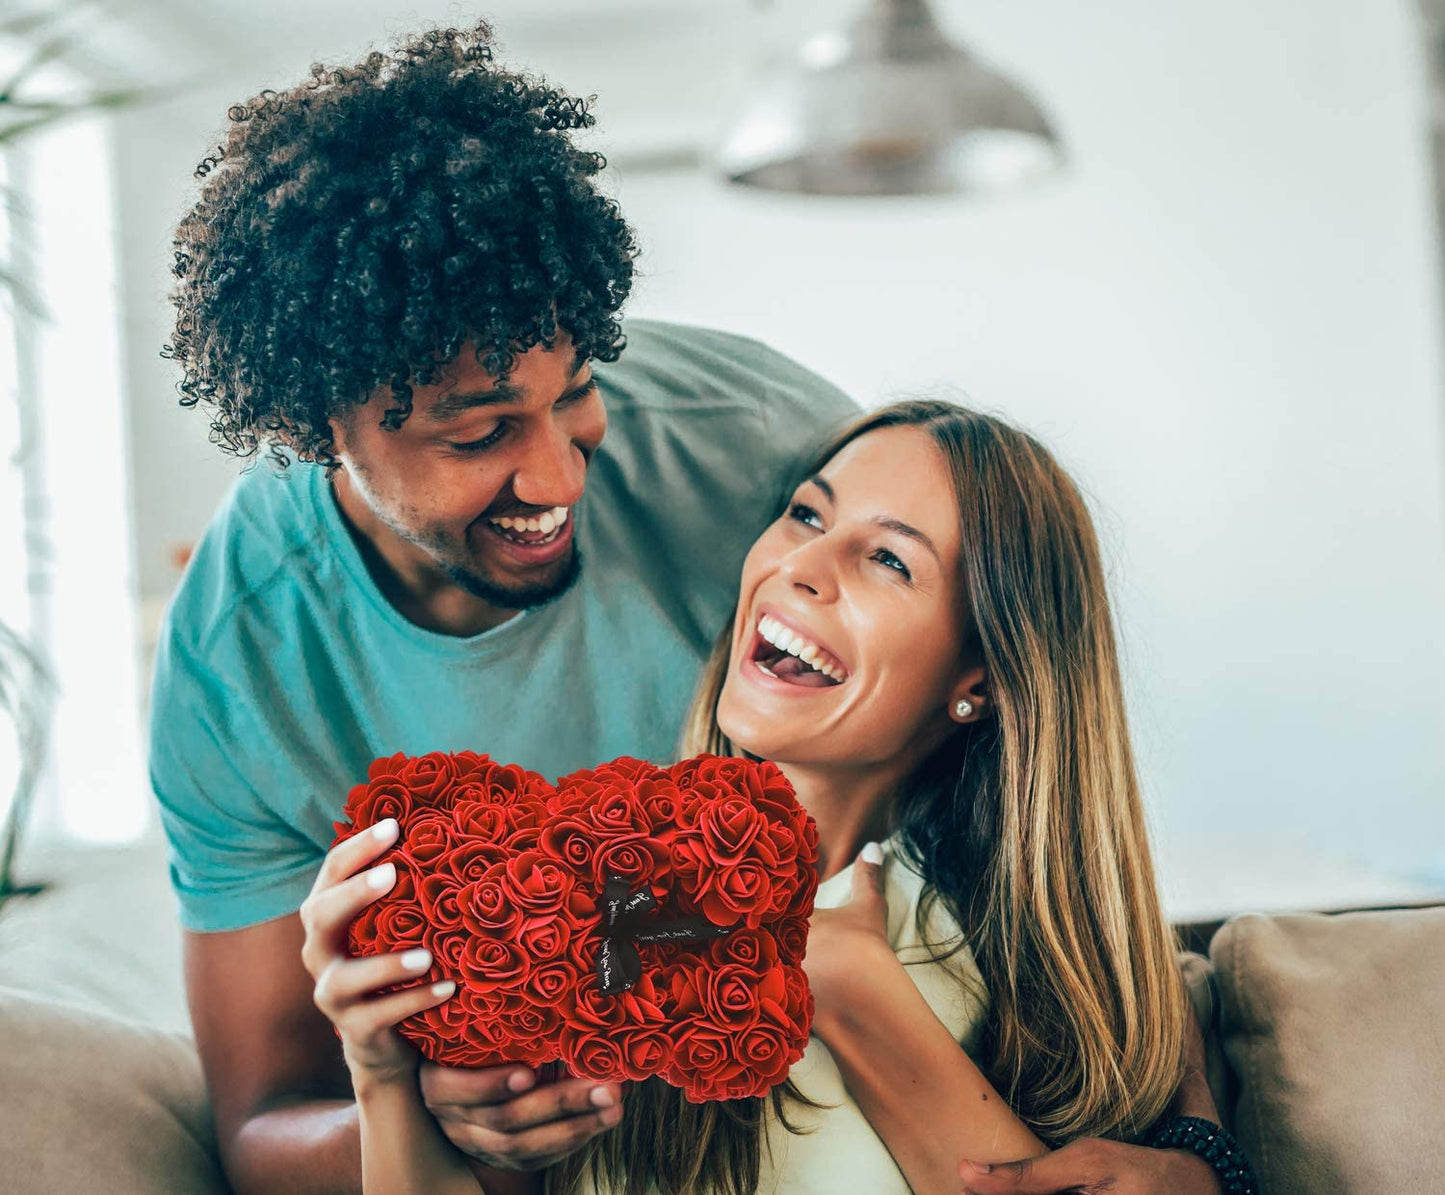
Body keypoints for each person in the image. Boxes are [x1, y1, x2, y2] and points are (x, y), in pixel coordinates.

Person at [152, 19, 1229, 1195]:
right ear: (319, 428)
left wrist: (1202, 1158)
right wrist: (426, 1100)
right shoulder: (240, 655)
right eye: (477, 434)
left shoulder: (754, 448)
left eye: (577, 393)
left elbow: (1048, 811)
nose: (562, 479)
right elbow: (261, 1126)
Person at [305, 400, 1252, 1195]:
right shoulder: (580, 902)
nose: (801, 566)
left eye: (887, 559)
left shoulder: (1051, 977)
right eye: (806, 515)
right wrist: (384, 1072)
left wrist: (845, 981)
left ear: (983, 672)